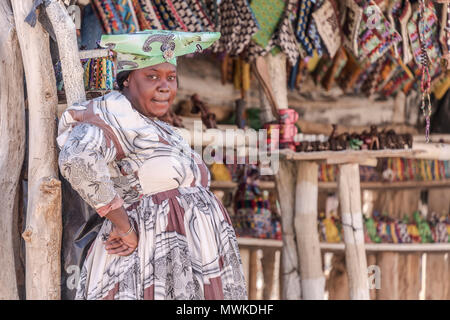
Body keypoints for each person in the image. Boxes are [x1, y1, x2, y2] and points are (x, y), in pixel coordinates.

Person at [57, 30, 247, 300]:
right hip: (148, 262)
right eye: (152, 76)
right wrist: (124, 226)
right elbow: (76, 159)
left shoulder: (158, 128)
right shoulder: (113, 115)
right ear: (126, 81)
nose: (164, 86)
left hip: (186, 261)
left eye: (171, 77)